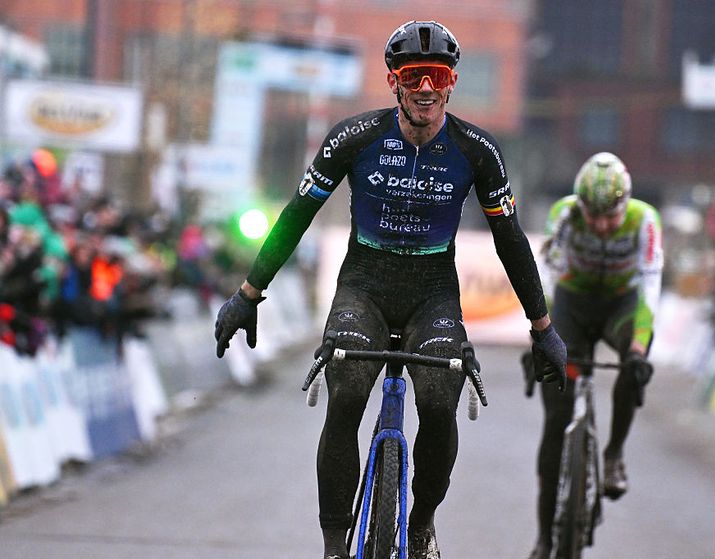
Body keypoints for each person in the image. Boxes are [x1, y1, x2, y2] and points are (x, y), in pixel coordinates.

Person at [214, 20, 568, 559]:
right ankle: (335, 545)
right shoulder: (355, 138)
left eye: (438, 74)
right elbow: (296, 216)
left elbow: (510, 240)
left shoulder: (477, 150)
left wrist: (542, 328)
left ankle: (422, 523)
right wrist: (248, 293)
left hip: (433, 294)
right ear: (393, 80)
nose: (426, 87)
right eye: (413, 74)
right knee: (349, 393)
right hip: (364, 287)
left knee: (437, 401)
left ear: (452, 82)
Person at [527, 152, 663, 559]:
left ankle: (615, 452)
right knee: (556, 419)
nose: (602, 225)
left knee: (631, 366)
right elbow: (546, 277)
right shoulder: (564, 215)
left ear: (626, 204)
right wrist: (542, 337)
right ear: (580, 204)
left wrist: (638, 349)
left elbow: (651, 284)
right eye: (594, 215)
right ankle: (545, 538)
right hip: (573, 305)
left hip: (621, 307)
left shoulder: (645, 220)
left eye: (611, 216)